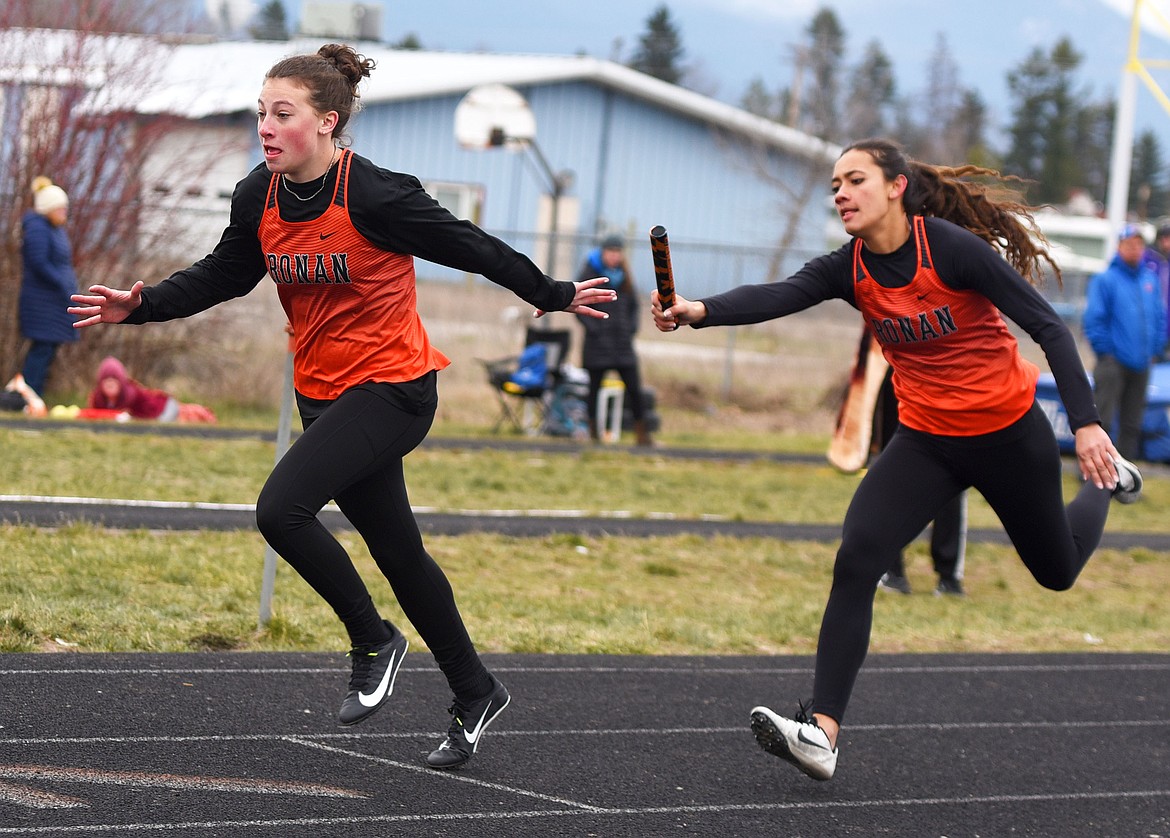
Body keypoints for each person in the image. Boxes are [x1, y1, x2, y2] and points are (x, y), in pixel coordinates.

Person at [69, 43, 615, 771]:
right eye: (260, 112)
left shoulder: (377, 195)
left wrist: (553, 294)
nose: (266, 125)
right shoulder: (256, 196)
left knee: (280, 510)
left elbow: (470, 246)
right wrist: (142, 305)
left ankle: (373, 640)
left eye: (282, 113)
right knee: (397, 551)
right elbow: (225, 275)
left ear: (327, 122)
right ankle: (475, 688)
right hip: (322, 396)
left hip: (393, 388)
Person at [651, 137, 1142, 782]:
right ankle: (822, 734)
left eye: (854, 180)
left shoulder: (952, 249)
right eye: (834, 186)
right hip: (928, 441)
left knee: (1056, 571)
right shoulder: (849, 266)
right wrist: (698, 311)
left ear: (895, 187)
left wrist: (1087, 427)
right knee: (857, 556)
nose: (840, 194)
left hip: (1006, 435)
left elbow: (1049, 328)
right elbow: (779, 294)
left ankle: (1110, 480)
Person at [871, 364, 967, 597]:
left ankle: (943, 575)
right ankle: (940, 575)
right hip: (922, 371)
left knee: (946, 471)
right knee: (907, 473)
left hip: (927, 370)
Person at [1082, 224, 1167, 461]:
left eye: (1139, 244)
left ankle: (1125, 478)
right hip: (1113, 363)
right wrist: (1106, 352)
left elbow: (1159, 317)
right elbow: (1094, 319)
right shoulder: (1105, 279)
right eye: (1130, 244)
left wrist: (1154, 351)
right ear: (1119, 246)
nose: (1135, 249)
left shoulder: (1149, 280)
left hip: (1142, 363)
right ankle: (1093, 474)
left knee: (1132, 424)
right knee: (1103, 420)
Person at [575, 234, 653, 446]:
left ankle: (642, 435)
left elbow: (634, 306)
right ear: (603, 252)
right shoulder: (590, 273)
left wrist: (630, 328)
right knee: (594, 390)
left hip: (622, 344)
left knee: (635, 389)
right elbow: (579, 308)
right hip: (597, 345)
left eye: (618, 252)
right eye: (611, 251)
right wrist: (596, 330)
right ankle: (593, 434)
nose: (615, 256)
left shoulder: (624, 276)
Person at [19, 176, 80, 398]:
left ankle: (34, 396)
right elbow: (39, 262)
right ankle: (27, 396)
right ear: (49, 208)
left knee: (48, 349)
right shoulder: (38, 228)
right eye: (60, 208)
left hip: (54, 301)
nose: (65, 212)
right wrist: (61, 282)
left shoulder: (54, 229)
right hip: (42, 303)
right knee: (41, 349)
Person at [87, 356, 217, 423]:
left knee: (166, 425)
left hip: (165, 407)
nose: (110, 383)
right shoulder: (98, 398)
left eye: (114, 380)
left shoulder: (131, 394)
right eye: (106, 380)